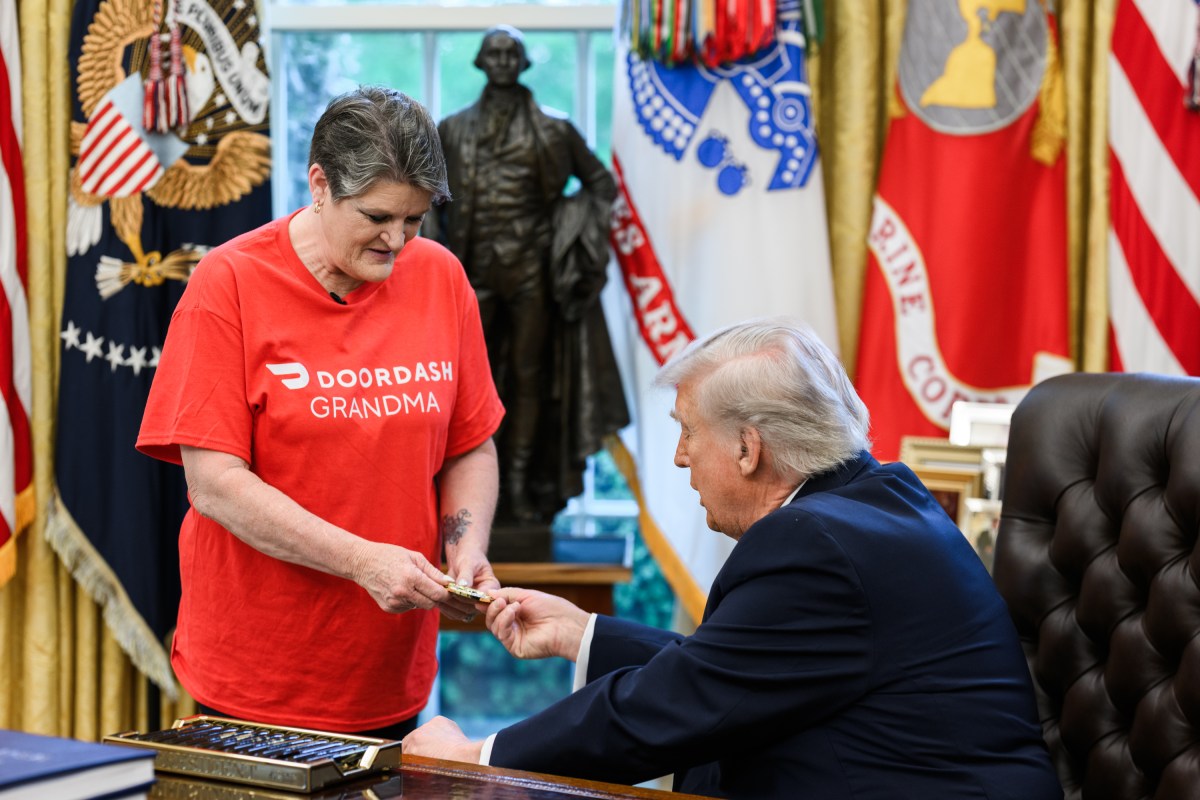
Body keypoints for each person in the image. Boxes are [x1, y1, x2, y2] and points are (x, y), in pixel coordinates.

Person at [403, 318, 1062, 799]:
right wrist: (584, 634)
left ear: (748, 449)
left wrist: (475, 759)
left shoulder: (813, 547)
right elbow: (741, 669)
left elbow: (676, 706)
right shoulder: (876, 500)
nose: (679, 456)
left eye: (687, 431)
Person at [136, 86, 505, 739]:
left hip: (388, 671)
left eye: (416, 219)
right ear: (320, 185)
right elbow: (215, 483)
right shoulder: (229, 284)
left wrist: (464, 547)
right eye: (377, 216)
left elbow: (469, 443)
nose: (398, 241)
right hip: (258, 674)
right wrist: (363, 561)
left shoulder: (441, 277)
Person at [432, 24, 625, 524]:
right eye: (492, 53)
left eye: (509, 53)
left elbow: (601, 185)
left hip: (532, 273)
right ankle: (473, 487)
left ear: (522, 63)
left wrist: (569, 233)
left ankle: (518, 485)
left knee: (528, 377)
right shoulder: (451, 130)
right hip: (471, 276)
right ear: (479, 61)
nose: (500, 61)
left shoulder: (554, 129)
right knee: (469, 381)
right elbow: (429, 198)